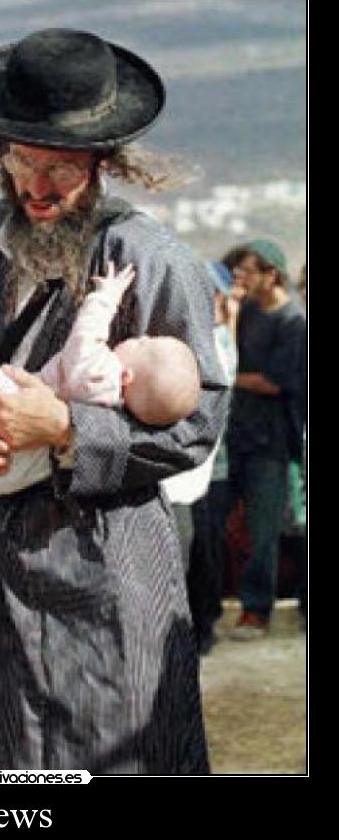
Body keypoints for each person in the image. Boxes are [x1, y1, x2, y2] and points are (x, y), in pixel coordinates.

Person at [0, 29, 228, 774]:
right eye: (22, 163)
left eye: (61, 170)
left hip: (95, 589)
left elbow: (198, 422)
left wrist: (68, 426)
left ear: (103, 163)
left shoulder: (149, 261)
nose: (37, 188)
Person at [0, 263, 201, 503]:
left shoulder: (100, 373)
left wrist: (105, 298)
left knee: (0, 384)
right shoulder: (118, 407)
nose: (140, 337)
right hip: (8, 475)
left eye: (142, 344)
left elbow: (86, 335)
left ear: (128, 377)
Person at [226, 239, 306, 639]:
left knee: (264, 529)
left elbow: (271, 382)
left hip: (271, 442)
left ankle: (257, 610)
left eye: (247, 272)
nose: (240, 280)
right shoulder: (250, 311)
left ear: (270, 274)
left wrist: (227, 378)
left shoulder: (293, 321)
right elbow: (230, 350)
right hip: (235, 433)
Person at [179, 260, 239, 654]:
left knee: (205, 549)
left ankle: (204, 625)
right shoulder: (212, 336)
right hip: (190, 467)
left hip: (207, 466)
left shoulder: (213, 341)